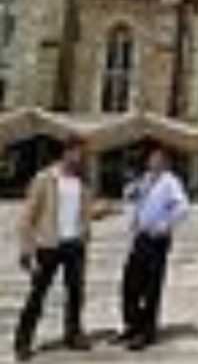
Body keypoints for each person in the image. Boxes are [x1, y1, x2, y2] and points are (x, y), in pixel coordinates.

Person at [14, 136, 111, 362]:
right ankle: (23, 341)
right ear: (66, 152)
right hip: (49, 245)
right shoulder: (45, 178)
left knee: (76, 293)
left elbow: (85, 212)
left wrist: (102, 211)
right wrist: (25, 248)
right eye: (77, 153)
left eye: (83, 155)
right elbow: (28, 215)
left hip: (75, 245)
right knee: (38, 294)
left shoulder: (83, 182)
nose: (80, 158)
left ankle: (73, 334)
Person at [113, 146, 190, 352]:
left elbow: (183, 207)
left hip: (157, 240)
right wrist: (131, 189)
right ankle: (132, 325)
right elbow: (129, 195)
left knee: (151, 288)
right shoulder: (146, 179)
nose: (152, 162)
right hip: (140, 237)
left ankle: (147, 333)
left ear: (165, 162)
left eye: (157, 159)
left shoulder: (170, 182)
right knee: (129, 284)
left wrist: (165, 225)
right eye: (151, 159)